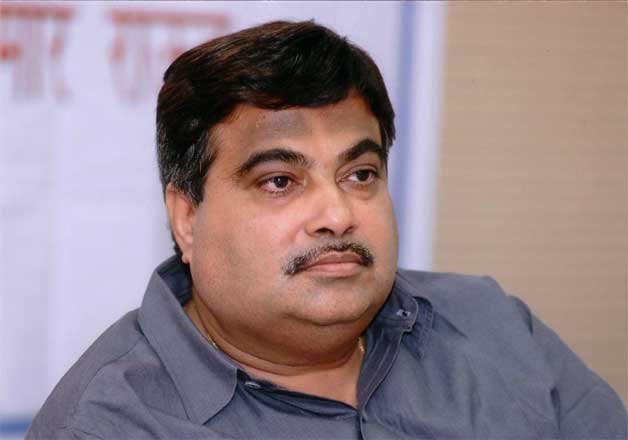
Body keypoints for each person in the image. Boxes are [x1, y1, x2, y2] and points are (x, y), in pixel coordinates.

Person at [27, 20, 626, 439]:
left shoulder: (495, 326)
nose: (337, 215)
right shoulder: (108, 424)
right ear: (187, 217)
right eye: (279, 181)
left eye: (360, 174)